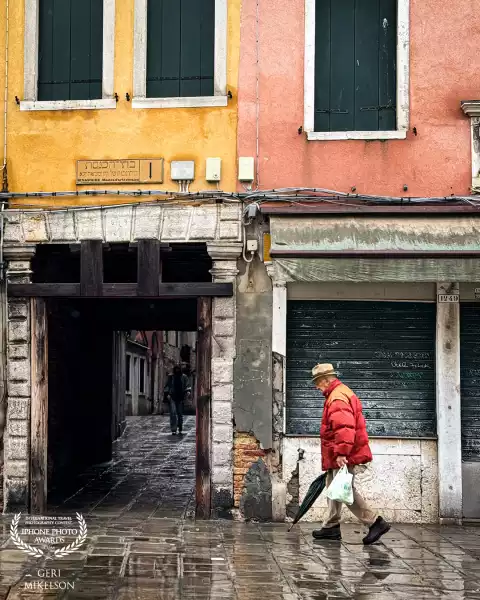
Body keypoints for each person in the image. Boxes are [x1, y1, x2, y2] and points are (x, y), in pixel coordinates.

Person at [311, 363, 390, 545]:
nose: (316, 387)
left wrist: (341, 453)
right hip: (339, 451)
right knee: (334, 486)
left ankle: (375, 522)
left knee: (343, 490)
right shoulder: (340, 392)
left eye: (317, 382)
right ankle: (331, 527)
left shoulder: (337, 397)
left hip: (344, 453)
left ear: (326, 380)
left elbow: (345, 428)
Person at [164, 365, 191, 435]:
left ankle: (180, 427)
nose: (177, 371)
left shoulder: (184, 377)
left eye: (178, 369)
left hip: (180, 397)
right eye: (176, 369)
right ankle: (173, 428)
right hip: (172, 397)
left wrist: (188, 391)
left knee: (179, 413)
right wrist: (167, 394)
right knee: (173, 413)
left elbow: (187, 385)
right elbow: (167, 386)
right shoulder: (171, 377)